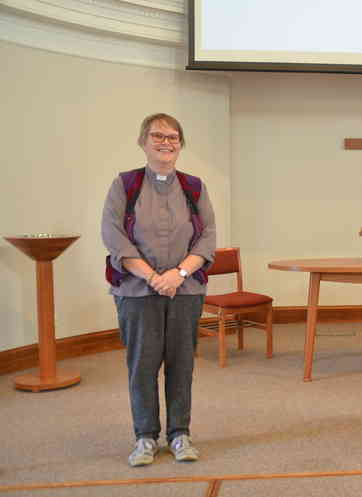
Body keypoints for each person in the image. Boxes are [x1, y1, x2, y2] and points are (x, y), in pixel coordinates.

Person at [102, 113, 216, 466]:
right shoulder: (126, 184)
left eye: (173, 137)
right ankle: (145, 437)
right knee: (142, 365)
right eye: (157, 136)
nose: (166, 142)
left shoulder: (195, 187)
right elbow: (113, 236)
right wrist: (153, 277)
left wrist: (179, 273)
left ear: (180, 144)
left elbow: (208, 238)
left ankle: (180, 434)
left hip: (186, 290)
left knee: (182, 365)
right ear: (143, 141)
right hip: (137, 292)